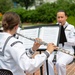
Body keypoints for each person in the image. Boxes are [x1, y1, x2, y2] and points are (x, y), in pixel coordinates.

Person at [47, 10, 75, 75]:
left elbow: (74, 42)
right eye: (58, 17)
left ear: (66, 17)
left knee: (60, 63)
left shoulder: (71, 27)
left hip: (67, 51)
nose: (60, 19)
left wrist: (64, 39)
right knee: (47, 60)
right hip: (55, 51)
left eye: (62, 17)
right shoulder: (54, 27)